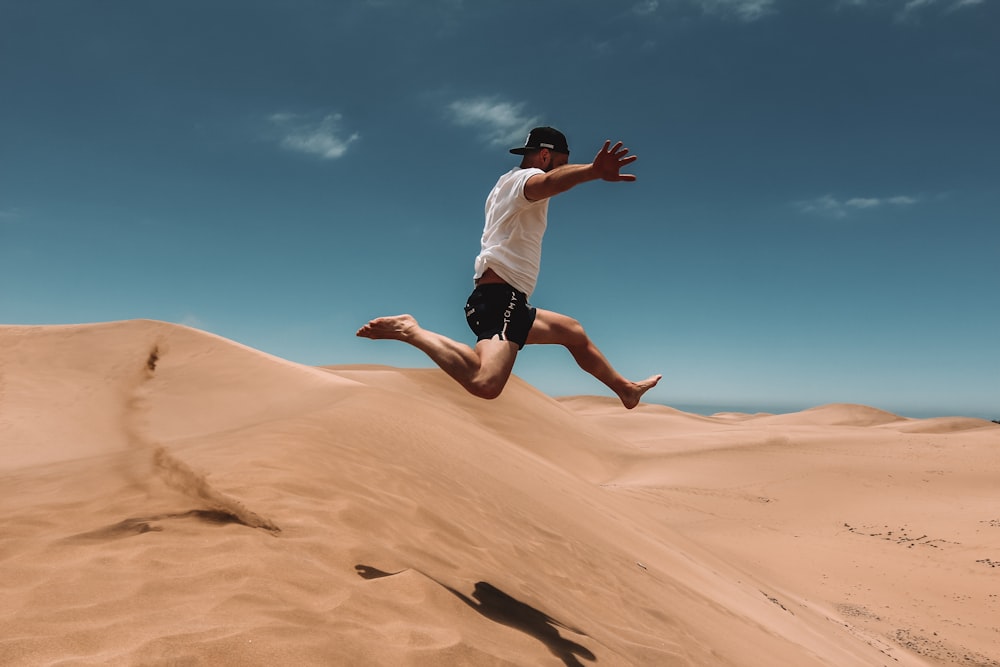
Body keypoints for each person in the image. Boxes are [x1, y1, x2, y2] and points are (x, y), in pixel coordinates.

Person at [357, 126, 661, 409]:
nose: (565, 168)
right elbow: (547, 182)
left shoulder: (504, 185)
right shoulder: (523, 182)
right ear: (545, 156)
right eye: (563, 162)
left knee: (573, 332)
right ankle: (410, 330)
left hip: (507, 300)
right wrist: (592, 171)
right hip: (501, 299)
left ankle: (625, 389)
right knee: (485, 383)